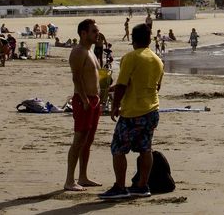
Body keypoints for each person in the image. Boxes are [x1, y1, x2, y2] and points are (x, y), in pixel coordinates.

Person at [100, 23, 165, 200]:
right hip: (152, 109)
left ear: (133, 40)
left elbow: (122, 84)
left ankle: (120, 187)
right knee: (145, 148)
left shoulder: (131, 57)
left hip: (133, 111)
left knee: (118, 148)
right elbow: (155, 85)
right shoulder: (157, 60)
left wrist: (115, 105)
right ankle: (142, 185)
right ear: (150, 39)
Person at [65, 18, 102, 192]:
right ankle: (69, 180)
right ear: (83, 33)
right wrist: (85, 100)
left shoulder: (91, 51)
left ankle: (83, 176)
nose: (97, 34)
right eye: (94, 31)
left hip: (94, 100)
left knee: (88, 140)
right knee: (79, 140)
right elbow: (76, 77)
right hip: (83, 100)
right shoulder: (78, 51)